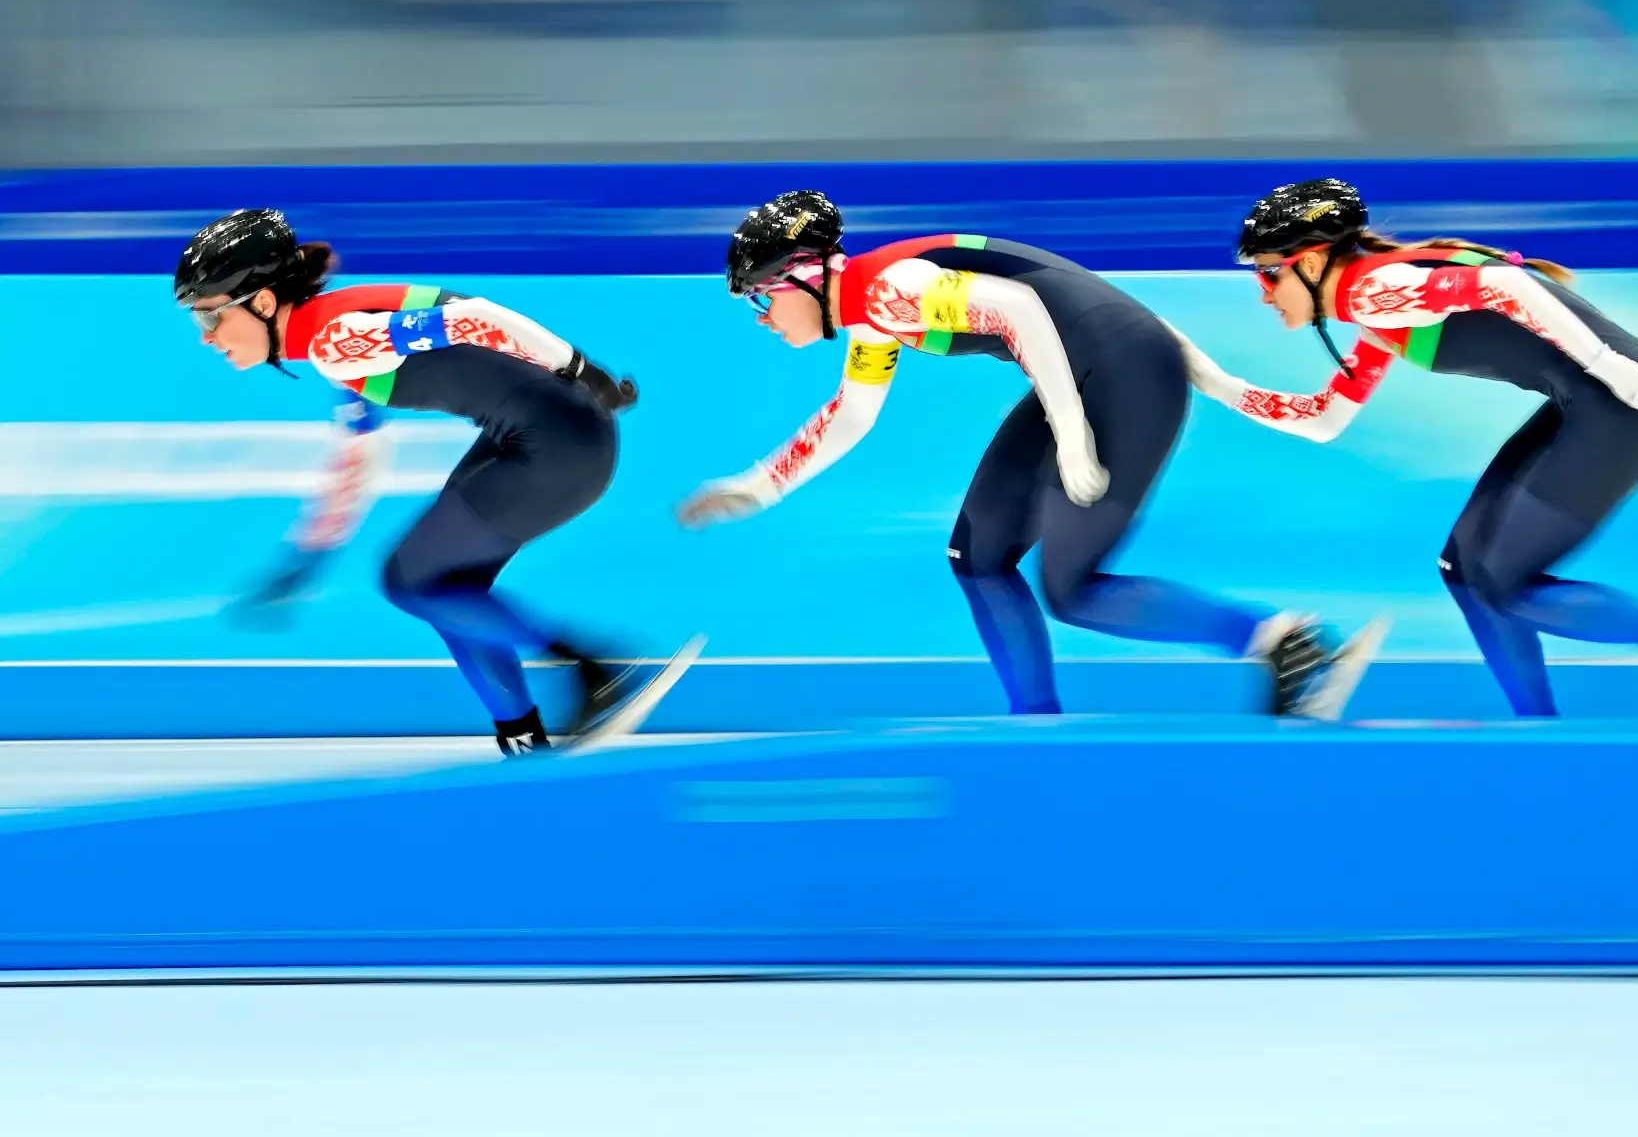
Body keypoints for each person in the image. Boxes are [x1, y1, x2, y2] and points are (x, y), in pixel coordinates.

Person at [674, 190, 1384, 718]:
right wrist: (759, 486)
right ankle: (1037, 726)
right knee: (976, 556)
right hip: (1102, 370)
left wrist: (1075, 437)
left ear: (801, 274)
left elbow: (1024, 311)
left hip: (1118, 379)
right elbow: (850, 416)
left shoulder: (891, 288)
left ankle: (1292, 647)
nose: (763, 318)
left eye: (760, 298)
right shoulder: (872, 307)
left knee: (1072, 587)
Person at [1169, 178, 1638, 720]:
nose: (1261, 293)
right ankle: (1537, 727)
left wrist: (1614, 368)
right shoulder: (1375, 303)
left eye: (1267, 274)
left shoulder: (1375, 287)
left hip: (1616, 403)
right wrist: (1216, 382)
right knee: (1466, 570)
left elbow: (1508, 288)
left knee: (1507, 582)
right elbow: (1325, 418)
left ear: (1310, 261)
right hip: (1589, 401)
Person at [175, 208, 663, 755]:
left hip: (555, 446)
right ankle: (525, 744)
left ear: (262, 302)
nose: (206, 337)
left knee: (410, 579)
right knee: (444, 589)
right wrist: (310, 554)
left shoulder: (337, 338)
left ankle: (594, 668)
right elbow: (358, 455)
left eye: (208, 318)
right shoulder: (331, 337)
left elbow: (478, 317)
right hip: (549, 439)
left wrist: (582, 371)